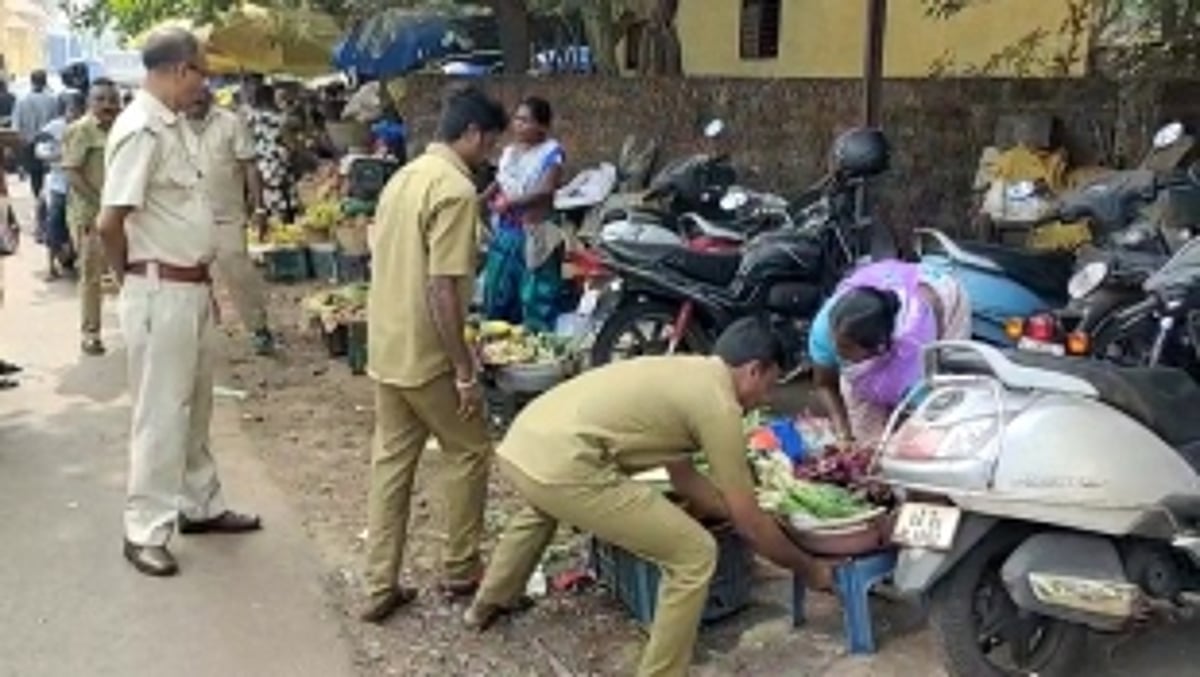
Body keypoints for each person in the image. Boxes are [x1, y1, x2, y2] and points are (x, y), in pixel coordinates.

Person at [464, 317, 834, 676]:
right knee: (695, 555)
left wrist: (736, 512)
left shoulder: (686, 371)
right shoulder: (719, 405)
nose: (766, 398)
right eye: (769, 386)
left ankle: (489, 604)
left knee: (544, 506)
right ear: (754, 370)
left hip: (525, 444)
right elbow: (749, 523)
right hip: (567, 465)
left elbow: (685, 479)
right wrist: (809, 568)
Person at [97, 28, 261, 578]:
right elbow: (109, 223)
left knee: (195, 405)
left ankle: (201, 504)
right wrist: (133, 280)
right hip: (159, 288)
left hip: (187, 286)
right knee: (161, 415)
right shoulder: (141, 130)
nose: (204, 83)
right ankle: (144, 530)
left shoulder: (173, 125)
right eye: (200, 72)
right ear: (176, 70)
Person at [360, 85, 509, 623]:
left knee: (391, 464)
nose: (490, 154)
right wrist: (464, 369)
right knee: (469, 451)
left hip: (387, 345)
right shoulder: (454, 190)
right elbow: (442, 288)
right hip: (427, 353)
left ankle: (378, 583)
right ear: (470, 133)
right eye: (489, 142)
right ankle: (461, 569)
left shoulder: (404, 177)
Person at [809, 260, 972, 447]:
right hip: (893, 283)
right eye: (834, 342)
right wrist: (843, 432)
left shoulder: (913, 346)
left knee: (925, 432)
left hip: (943, 300)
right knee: (865, 436)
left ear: (877, 349)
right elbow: (824, 384)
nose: (836, 350)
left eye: (846, 348)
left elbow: (923, 405)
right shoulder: (826, 328)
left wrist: (900, 441)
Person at [188, 87, 276, 355]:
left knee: (238, 269)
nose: (196, 100)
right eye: (191, 96)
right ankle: (201, 332)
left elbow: (250, 166)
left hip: (228, 214)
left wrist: (259, 207)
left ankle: (258, 328)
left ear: (210, 96)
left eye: (201, 95)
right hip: (186, 216)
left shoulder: (230, 122)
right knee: (191, 277)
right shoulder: (172, 125)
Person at [481, 97, 566, 333]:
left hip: (535, 234)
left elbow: (546, 190)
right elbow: (499, 182)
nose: (518, 125)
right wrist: (480, 200)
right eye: (517, 119)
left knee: (534, 298)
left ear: (542, 126)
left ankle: (535, 344)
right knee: (498, 292)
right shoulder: (510, 153)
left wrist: (511, 202)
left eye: (526, 120)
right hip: (507, 234)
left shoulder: (552, 154)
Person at [63, 78, 121, 356]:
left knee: (128, 273)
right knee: (92, 277)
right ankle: (91, 334)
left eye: (112, 99)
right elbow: (72, 172)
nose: (108, 104)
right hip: (91, 216)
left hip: (123, 215)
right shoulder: (80, 130)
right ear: (89, 102)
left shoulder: (122, 128)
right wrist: (100, 202)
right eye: (100, 99)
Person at [34, 92, 86, 279]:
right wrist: (59, 156)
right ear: (65, 110)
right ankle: (50, 266)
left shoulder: (88, 127)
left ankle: (83, 263)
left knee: (84, 225)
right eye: (71, 110)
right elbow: (39, 150)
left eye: (78, 110)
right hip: (59, 184)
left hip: (83, 185)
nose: (74, 114)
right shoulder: (54, 127)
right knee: (54, 222)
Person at [247, 83, 299, 223]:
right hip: (278, 168)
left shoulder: (250, 119)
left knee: (266, 207)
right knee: (283, 209)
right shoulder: (280, 119)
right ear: (270, 98)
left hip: (259, 169)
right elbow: (291, 145)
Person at [13, 71, 59, 213]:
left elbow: (16, 126)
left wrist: (19, 145)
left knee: (35, 177)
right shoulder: (53, 100)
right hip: (49, 143)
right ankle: (48, 204)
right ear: (45, 81)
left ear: (31, 82)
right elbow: (57, 121)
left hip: (30, 144)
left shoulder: (22, 101)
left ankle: (39, 204)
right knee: (50, 175)